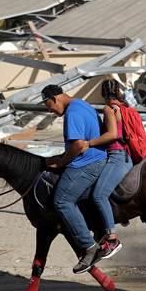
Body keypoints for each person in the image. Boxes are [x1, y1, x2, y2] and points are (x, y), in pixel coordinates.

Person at [42, 83, 107, 273]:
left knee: (62, 201)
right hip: (94, 158)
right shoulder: (82, 104)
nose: (52, 112)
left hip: (87, 163)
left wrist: (61, 162)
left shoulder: (72, 113)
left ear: (54, 99)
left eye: (49, 107)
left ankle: (90, 247)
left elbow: (78, 145)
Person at [86, 79, 134, 262]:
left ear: (103, 93)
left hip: (117, 156)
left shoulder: (109, 109)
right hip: (125, 155)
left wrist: (88, 143)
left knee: (98, 195)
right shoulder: (124, 107)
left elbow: (114, 134)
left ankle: (112, 239)